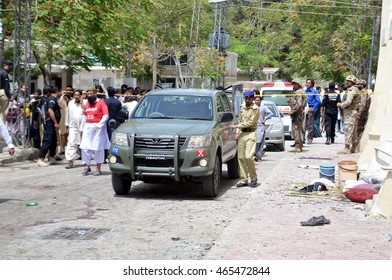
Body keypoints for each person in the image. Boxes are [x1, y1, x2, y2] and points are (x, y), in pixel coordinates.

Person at [229, 90, 260, 188]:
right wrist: (237, 133)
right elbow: (241, 120)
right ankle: (243, 179)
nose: (247, 100)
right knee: (241, 157)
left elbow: (251, 122)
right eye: (246, 98)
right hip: (242, 133)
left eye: (249, 98)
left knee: (248, 157)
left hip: (251, 133)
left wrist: (236, 126)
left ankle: (253, 178)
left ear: (253, 99)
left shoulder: (255, 109)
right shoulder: (242, 107)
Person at [79, 88, 111, 176]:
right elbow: (85, 117)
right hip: (87, 128)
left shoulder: (101, 103)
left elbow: (106, 115)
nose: (89, 95)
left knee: (98, 148)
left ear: (95, 93)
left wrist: (99, 125)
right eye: (88, 94)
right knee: (85, 148)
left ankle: (98, 168)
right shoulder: (87, 104)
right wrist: (81, 129)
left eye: (91, 93)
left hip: (98, 128)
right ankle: (86, 167)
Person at [37, 86, 61, 167]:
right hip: (50, 123)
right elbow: (50, 110)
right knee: (47, 140)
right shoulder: (52, 99)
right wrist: (55, 123)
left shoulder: (53, 99)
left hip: (52, 124)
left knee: (53, 141)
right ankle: (41, 158)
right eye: (60, 92)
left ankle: (52, 157)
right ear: (57, 91)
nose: (61, 94)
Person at [337, 75, 361, 154]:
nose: (347, 82)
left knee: (348, 129)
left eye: (348, 81)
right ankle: (354, 147)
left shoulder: (352, 90)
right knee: (353, 130)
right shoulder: (355, 89)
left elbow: (348, 101)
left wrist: (340, 104)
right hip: (352, 112)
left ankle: (347, 148)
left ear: (352, 82)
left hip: (350, 112)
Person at [64, 89, 84, 169]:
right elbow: (68, 114)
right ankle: (70, 161)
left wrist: (82, 102)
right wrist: (67, 125)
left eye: (78, 95)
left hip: (83, 128)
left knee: (85, 145)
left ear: (81, 95)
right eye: (75, 95)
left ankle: (86, 162)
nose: (76, 96)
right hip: (73, 127)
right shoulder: (71, 103)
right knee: (71, 143)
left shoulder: (85, 103)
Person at [104, 86, 122, 161]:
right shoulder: (118, 102)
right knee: (115, 140)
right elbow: (120, 113)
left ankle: (104, 157)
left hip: (106, 122)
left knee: (105, 139)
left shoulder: (104, 101)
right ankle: (114, 155)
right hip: (115, 122)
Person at [288, 80, 306, 152]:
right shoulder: (301, 92)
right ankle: (299, 145)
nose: (294, 85)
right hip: (299, 112)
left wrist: (293, 111)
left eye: (295, 84)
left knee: (296, 129)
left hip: (297, 113)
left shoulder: (298, 93)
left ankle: (298, 146)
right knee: (298, 128)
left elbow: (299, 104)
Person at [254, 95, 272, 161]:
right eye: (256, 100)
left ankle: (258, 155)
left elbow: (270, 114)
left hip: (260, 127)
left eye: (258, 100)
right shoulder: (252, 108)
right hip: (253, 127)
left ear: (260, 101)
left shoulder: (263, 108)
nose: (257, 101)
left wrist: (265, 119)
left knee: (259, 141)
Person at [355, 79, 371, 149]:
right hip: (361, 113)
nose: (358, 85)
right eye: (358, 84)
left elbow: (362, 104)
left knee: (359, 130)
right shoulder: (361, 92)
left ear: (363, 85)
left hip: (362, 114)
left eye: (360, 84)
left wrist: (359, 113)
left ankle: (357, 146)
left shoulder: (363, 93)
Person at [304, 79, 320, 144]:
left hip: (310, 108)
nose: (307, 84)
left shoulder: (314, 91)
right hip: (304, 108)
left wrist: (313, 109)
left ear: (312, 84)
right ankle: (302, 139)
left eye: (309, 83)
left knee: (310, 124)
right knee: (303, 124)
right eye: (307, 83)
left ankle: (309, 139)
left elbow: (318, 101)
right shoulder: (305, 91)